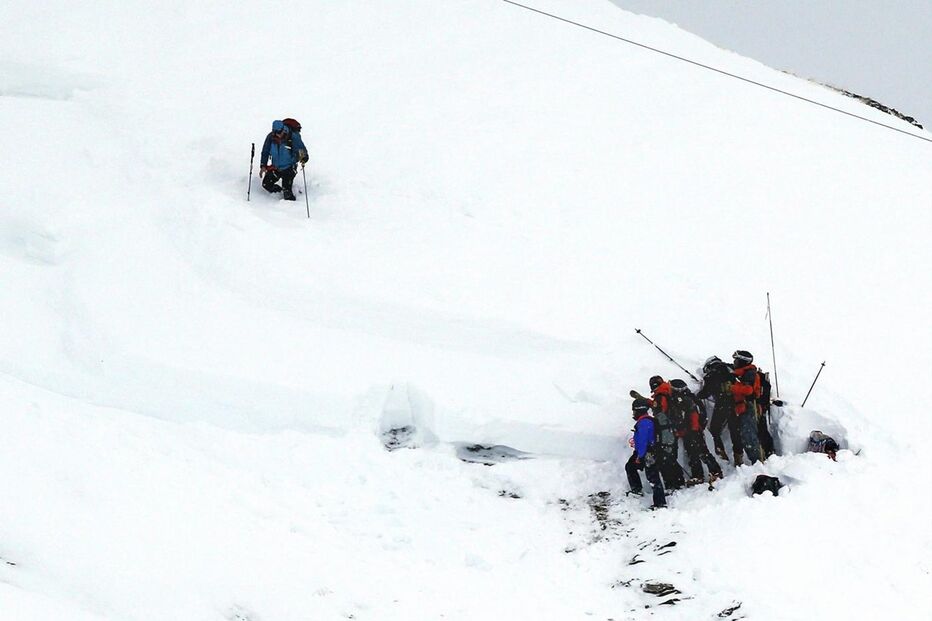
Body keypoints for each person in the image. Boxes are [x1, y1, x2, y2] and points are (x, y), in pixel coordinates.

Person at [669, 379, 723, 486]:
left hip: (691, 432)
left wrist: (689, 430)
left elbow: (690, 416)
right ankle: (709, 473)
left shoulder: (683, 400)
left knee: (698, 453)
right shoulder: (690, 397)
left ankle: (709, 473)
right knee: (698, 453)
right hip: (694, 431)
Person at [697, 356, 744, 464]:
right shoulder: (730, 369)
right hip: (736, 403)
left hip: (722, 404)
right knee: (735, 431)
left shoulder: (712, 374)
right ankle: (739, 457)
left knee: (715, 429)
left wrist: (697, 394)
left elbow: (705, 393)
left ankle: (721, 455)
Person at [625, 398, 666, 509]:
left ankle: (660, 503)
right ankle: (637, 490)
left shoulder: (644, 423)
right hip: (649, 452)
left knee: (653, 478)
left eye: (634, 411)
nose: (633, 413)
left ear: (639, 410)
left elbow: (643, 441)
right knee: (631, 467)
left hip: (648, 454)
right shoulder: (648, 421)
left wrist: (639, 456)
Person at [648, 375, 686, 490]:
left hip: (666, 432)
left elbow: (661, 415)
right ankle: (679, 482)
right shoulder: (668, 392)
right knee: (671, 458)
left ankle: (671, 486)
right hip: (673, 430)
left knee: (664, 460)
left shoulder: (660, 396)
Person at [259, 119, 308, 201]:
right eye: (276, 133)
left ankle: (291, 201)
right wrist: (263, 165)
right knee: (266, 184)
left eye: (280, 132)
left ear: (283, 129)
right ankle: (279, 192)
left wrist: (303, 158)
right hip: (276, 167)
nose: (278, 134)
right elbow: (265, 151)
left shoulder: (292, 137)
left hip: (289, 168)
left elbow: (301, 149)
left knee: (287, 194)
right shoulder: (270, 138)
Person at [730, 350, 763, 464]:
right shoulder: (742, 373)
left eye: (736, 360)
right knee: (745, 434)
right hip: (743, 407)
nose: (734, 363)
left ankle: (757, 461)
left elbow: (748, 390)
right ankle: (755, 461)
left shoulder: (749, 373)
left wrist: (732, 388)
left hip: (749, 406)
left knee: (749, 434)